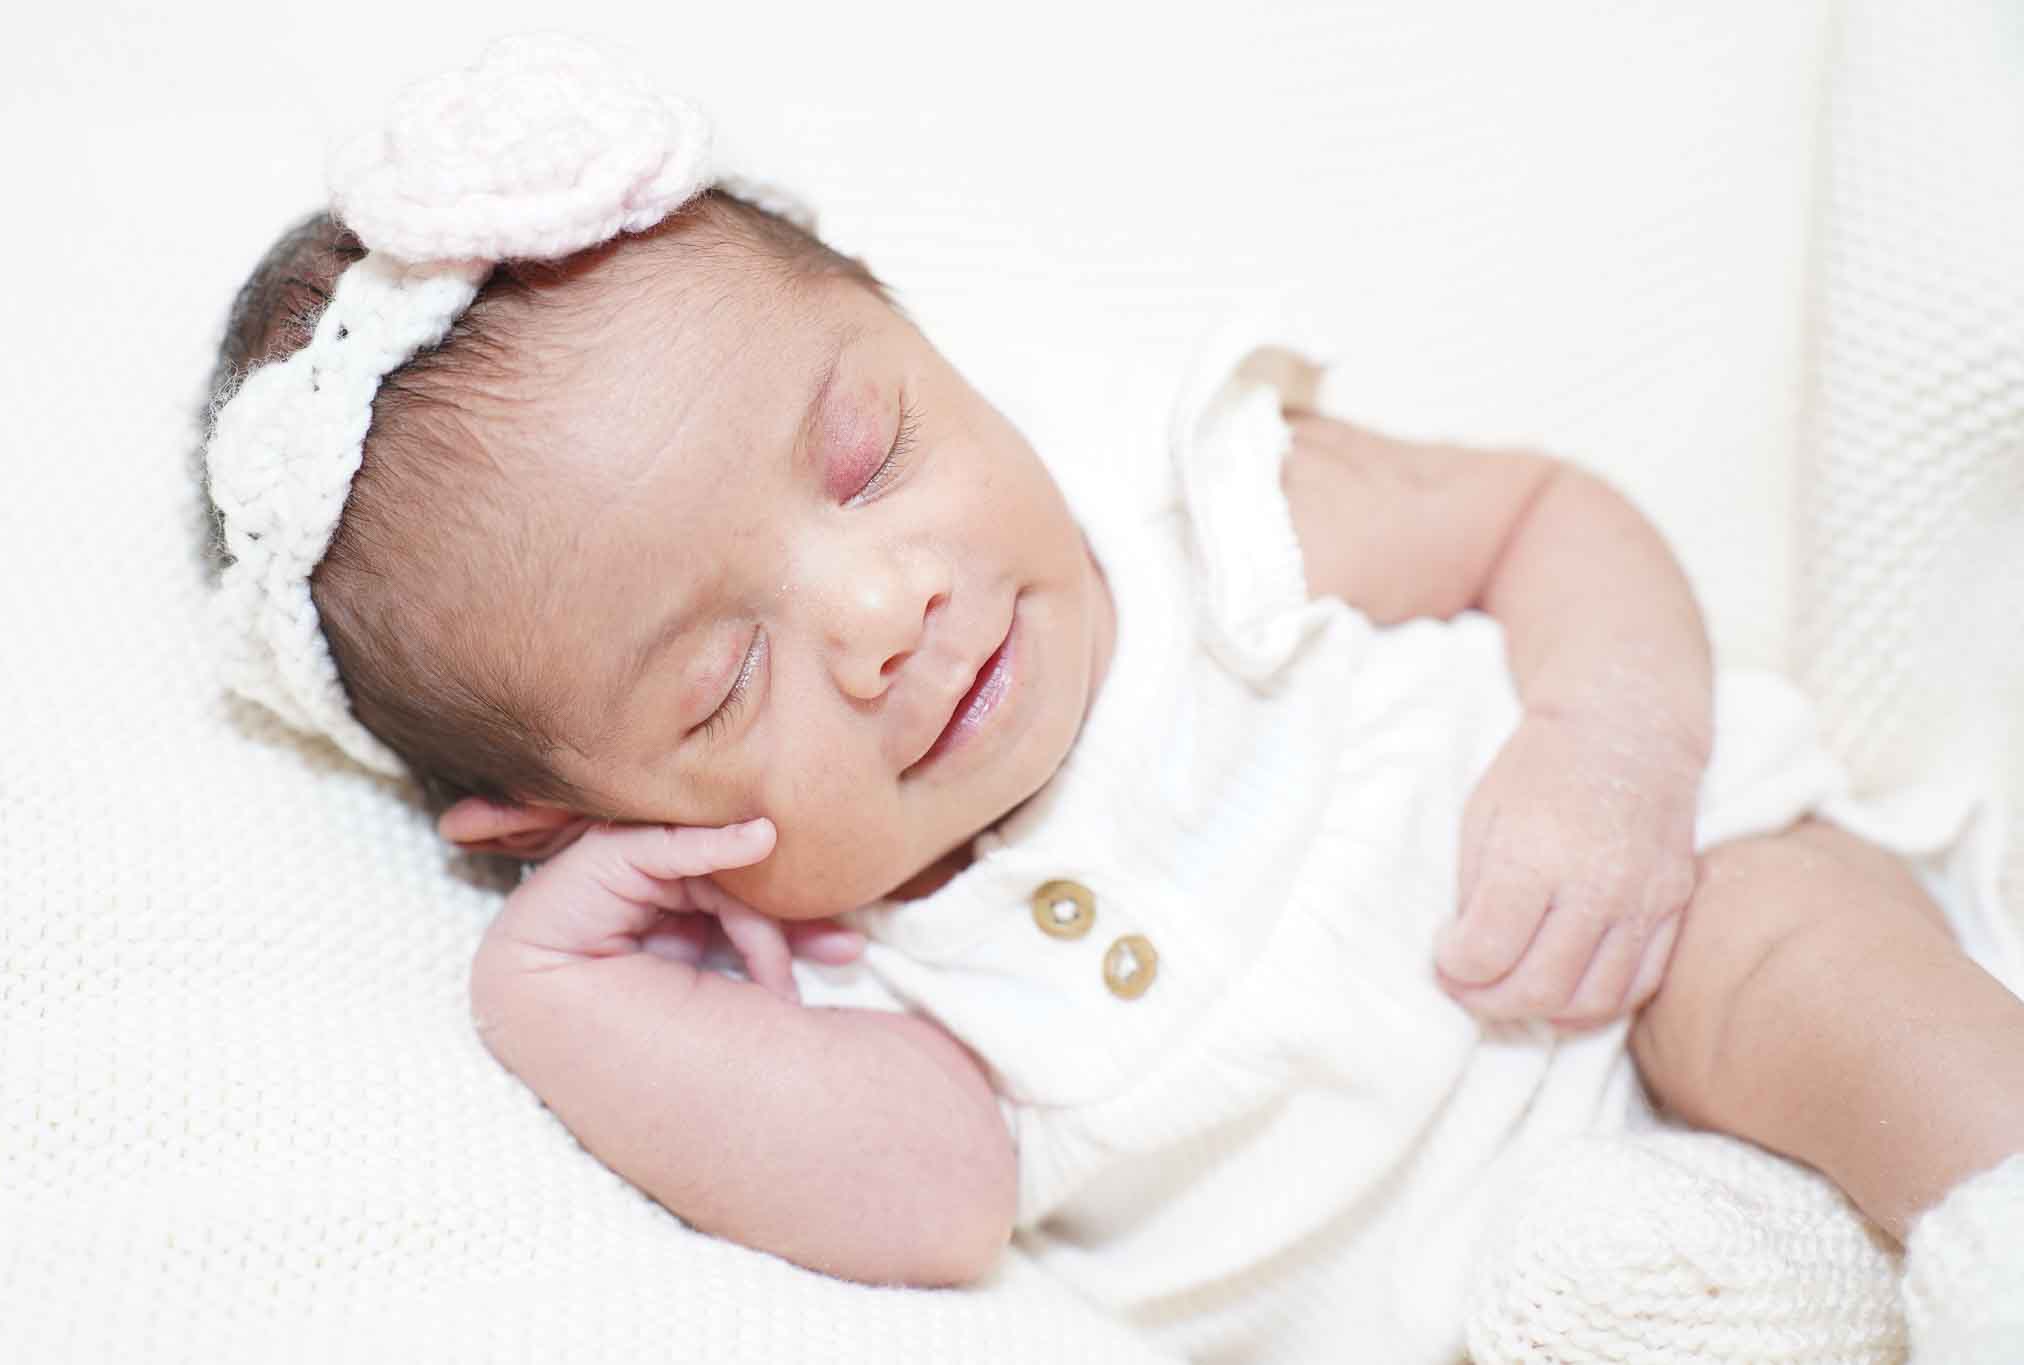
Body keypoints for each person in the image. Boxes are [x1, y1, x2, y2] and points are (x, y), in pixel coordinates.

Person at [199, 36, 2024, 1365]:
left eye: (865, 449)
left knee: (1782, 956)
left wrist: (1605, 752)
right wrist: (573, 997)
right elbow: (937, 1206)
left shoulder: (1207, 524)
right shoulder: (839, 983)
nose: (880, 606)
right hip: (1499, 1310)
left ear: (924, 334)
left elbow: (1544, 514)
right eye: (725, 676)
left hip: (1673, 940)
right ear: (595, 825)